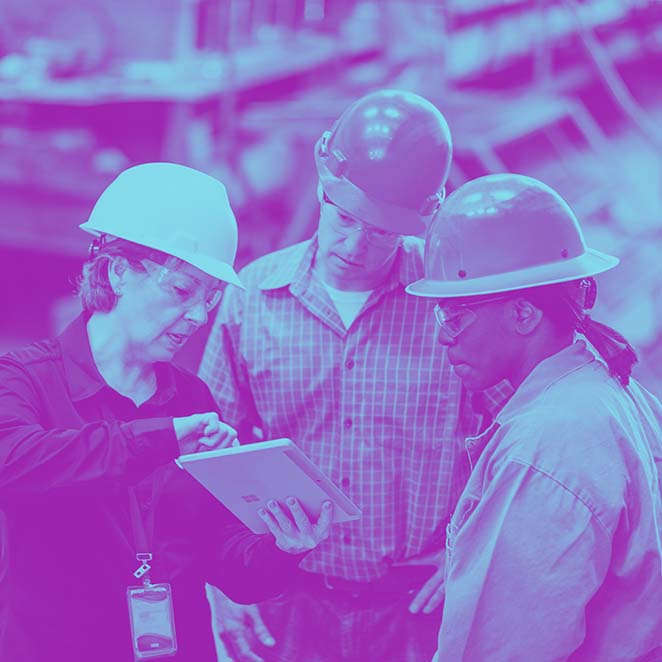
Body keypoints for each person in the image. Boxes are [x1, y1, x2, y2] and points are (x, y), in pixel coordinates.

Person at [199, 89, 511, 661]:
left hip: (418, 608)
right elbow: (210, 451)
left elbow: (515, 437)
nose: (355, 243)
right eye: (343, 217)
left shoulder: (447, 305)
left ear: (419, 220)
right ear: (322, 187)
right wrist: (221, 579)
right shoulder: (251, 300)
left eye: (380, 229)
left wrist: (472, 549)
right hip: (283, 601)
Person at [0, 163, 334, 662]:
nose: (198, 316)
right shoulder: (23, 378)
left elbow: (225, 559)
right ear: (118, 271)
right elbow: (18, 463)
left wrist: (281, 547)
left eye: (210, 298)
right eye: (182, 291)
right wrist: (161, 440)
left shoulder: (192, 399)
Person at [406, 173, 662, 661]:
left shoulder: (543, 448)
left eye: (453, 317)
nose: (443, 337)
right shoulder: (605, 386)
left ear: (524, 314)